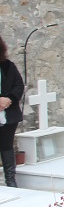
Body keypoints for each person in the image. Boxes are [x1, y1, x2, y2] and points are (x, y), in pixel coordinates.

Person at [0, 35, 23, 187]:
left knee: (7, 146)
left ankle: (10, 180)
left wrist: (9, 99)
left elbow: (19, 85)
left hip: (8, 114)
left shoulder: (8, 66)